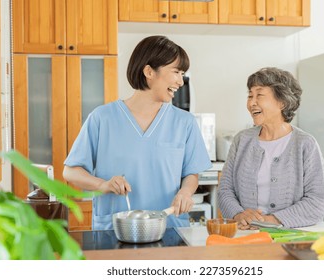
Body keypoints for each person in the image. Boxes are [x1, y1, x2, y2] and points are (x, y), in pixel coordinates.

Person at [63, 35, 212, 230]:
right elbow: (71, 171)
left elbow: (191, 174)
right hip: (114, 230)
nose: (180, 81)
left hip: (169, 229)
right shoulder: (102, 118)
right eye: (176, 72)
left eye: (182, 73)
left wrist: (185, 193)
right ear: (149, 71)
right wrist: (103, 185)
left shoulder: (185, 122)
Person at [218, 67, 324, 229]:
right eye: (250, 96)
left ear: (282, 102)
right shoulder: (242, 140)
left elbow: (317, 202)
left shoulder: (305, 144)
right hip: (246, 233)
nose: (251, 103)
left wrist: (271, 220)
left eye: (259, 95)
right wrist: (239, 214)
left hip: (291, 234)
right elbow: (225, 190)